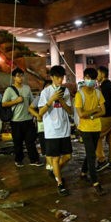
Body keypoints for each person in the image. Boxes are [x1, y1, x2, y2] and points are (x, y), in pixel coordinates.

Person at [38, 66, 73, 196]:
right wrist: (52, 100)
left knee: (68, 156)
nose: (60, 80)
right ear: (52, 77)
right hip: (51, 130)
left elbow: (70, 111)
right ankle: (60, 183)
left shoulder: (66, 91)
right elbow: (40, 113)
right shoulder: (45, 93)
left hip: (64, 129)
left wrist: (61, 100)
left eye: (62, 77)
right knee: (55, 158)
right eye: (57, 77)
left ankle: (55, 171)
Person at [75, 68, 107, 196]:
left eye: (93, 78)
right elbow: (81, 114)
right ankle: (95, 183)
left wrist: (92, 114)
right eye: (88, 78)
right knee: (92, 155)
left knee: (91, 152)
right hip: (85, 129)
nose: (90, 81)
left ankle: (83, 173)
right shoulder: (79, 95)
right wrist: (95, 110)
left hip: (96, 127)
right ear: (84, 78)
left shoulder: (98, 93)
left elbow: (103, 111)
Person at [2, 67, 42, 167]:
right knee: (18, 142)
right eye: (18, 76)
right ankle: (18, 160)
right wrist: (16, 101)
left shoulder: (27, 88)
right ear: (14, 78)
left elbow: (32, 102)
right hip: (15, 121)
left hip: (28, 120)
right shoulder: (9, 90)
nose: (20, 78)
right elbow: (3, 104)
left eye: (21, 75)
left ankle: (34, 159)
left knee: (30, 141)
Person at [95, 66, 111, 171]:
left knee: (97, 138)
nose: (96, 76)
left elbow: (105, 104)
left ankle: (101, 160)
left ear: (102, 74)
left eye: (98, 74)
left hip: (105, 117)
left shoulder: (104, 87)